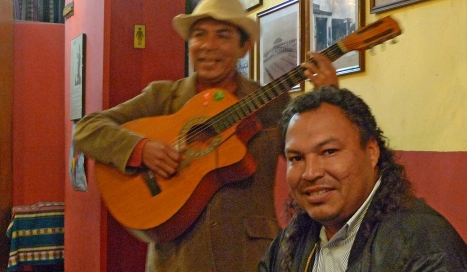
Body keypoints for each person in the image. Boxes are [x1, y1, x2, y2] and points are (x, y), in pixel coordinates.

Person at [73, 0, 338, 271]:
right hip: (176, 260)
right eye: (199, 34)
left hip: (249, 257)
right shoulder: (164, 97)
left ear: (243, 47)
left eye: (223, 35)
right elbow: (86, 129)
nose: (208, 45)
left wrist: (330, 99)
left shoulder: (273, 106)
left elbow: (316, 154)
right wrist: (140, 148)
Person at [258, 86, 467, 271]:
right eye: (296, 158)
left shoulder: (425, 247)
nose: (310, 173)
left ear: (372, 152)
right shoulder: (291, 242)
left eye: (329, 151)